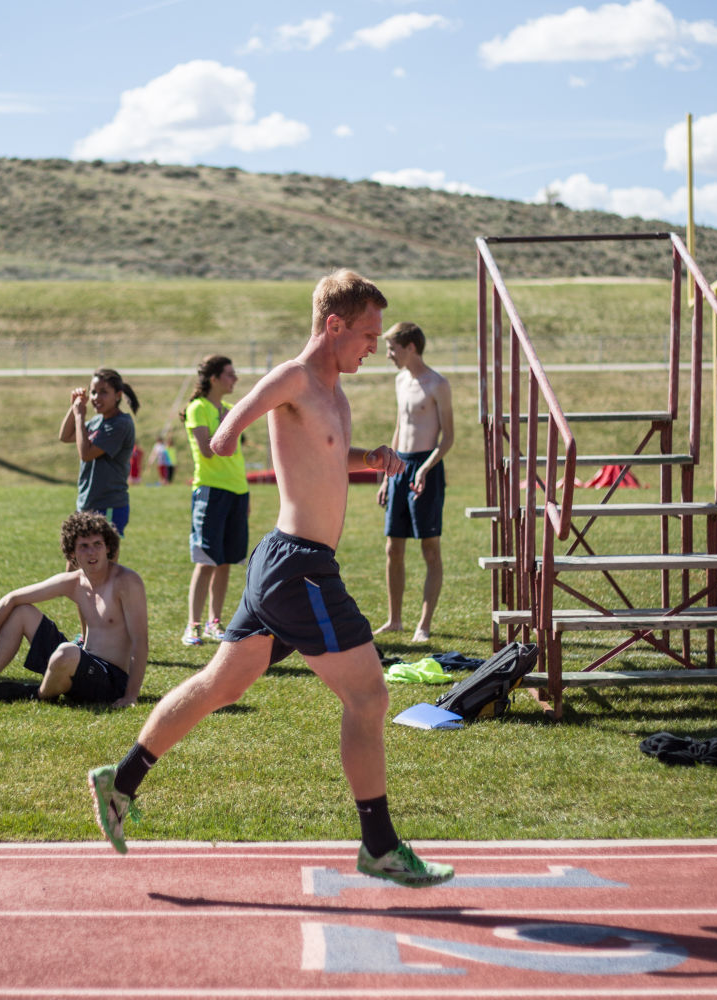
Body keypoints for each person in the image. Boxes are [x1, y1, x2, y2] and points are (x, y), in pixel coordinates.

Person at [87, 269, 455, 889]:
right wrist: (227, 435)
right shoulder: (294, 376)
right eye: (366, 334)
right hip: (298, 568)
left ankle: (119, 781)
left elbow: (324, 455)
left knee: (220, 684)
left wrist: (371, 458)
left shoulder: (333, 390)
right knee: (368, 696)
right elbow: (233, 427)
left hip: (285, 563)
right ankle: (380, 845)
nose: (373, 345)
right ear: (333, 324)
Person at [0, 512, 148, 708]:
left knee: (66, 652)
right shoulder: (74, 582)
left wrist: (131, 696)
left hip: (111, 680)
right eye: (84, 546)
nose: (92, 553)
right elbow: (12, 598)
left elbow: (140, 641)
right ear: (72, 554)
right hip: (81, 661)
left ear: (108, 547)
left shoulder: (127, 582)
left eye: (98, 544)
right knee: (21, 611)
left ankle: (38, 694)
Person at [373, 322, 453, 644]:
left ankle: (424, 623)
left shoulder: (437, 384)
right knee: (393, 546)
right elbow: (399, 425)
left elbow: (448, 438)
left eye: (393, 348)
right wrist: (385, 476)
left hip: (426, 468)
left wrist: (425, 469)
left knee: (430, 549)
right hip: (399, 466)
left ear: (411, 348)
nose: (389, 354)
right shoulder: (399, 380)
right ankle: (395, 621)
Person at [179, 355, 250, 647]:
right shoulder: (198, 408)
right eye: (230, 375)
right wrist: (225, 424)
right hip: (210, 491)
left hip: (237, 490)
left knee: (226, 561)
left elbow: (235, 450)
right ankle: (193, 625)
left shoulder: (231, 409)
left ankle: (214, 622)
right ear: (214, 379)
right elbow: (208, 451)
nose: (235, 380)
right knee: (207, 560)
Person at [59, 368, 138, 538]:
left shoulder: (120, 424)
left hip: (107, 506)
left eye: (103, 392)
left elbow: (86, 454)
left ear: (118, 395)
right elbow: (65, 436)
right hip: (86, 503)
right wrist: (73, 408)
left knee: (102, 564)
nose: (96, 398)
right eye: (93, 392)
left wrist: (80, 416)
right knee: (74, 563)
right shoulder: (97, 421)